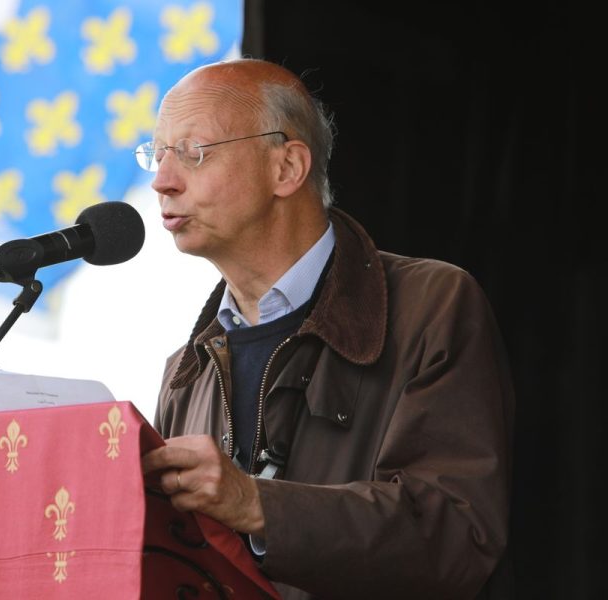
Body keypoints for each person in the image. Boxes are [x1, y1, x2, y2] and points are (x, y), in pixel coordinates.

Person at [137, 58, 514, 599]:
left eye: (193, 152)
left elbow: (454, 534)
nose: (162, 182)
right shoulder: (186, 371)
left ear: (287, 168)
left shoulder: (433, 304)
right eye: (157, 154)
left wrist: (255, 504)